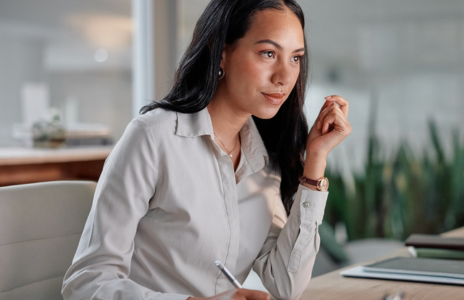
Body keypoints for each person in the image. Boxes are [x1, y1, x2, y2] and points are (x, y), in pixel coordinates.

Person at [62, 0, 351, 299]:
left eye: (295, 58)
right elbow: (87, 283)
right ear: (221, 51)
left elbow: (286, 284)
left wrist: (315, 160)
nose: (284, 77)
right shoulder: (153, 137)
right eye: (268, 53)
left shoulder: (265, 160)